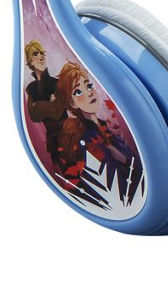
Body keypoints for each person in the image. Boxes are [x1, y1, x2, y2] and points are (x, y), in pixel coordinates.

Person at [56, 61, 141, 205]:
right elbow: (112, 185)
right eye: (78, 92)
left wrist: (124, 159)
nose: (89, 92)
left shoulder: (105, 127)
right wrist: (125, 161)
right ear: (73, 103)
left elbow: (135, 167)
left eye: (89, 86)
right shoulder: (87, 139)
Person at [24, 40, 66, 166]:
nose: (41, 57)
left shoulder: (57, 83)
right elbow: (34, 116)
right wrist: (48, 100)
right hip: (52, 142)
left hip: (67, 137)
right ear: (30, 61)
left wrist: (38, 104)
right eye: (35, 54)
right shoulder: (31, 88)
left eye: (42, 53)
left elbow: (57, 113)